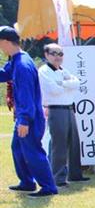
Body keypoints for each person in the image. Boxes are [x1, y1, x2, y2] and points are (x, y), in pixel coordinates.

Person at [0, 26, 58, 197]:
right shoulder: (16, 60)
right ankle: (27, 182)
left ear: (4, 41)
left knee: (32, 151)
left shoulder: (22, 65)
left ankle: (48, 187)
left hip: (30, 116)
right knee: (17, 148)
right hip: (27, 115)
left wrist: (24, 120)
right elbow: (4, 75)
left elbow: (25, 96)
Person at [38, 43, 89, 186]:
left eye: (60, 54)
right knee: (59, 144)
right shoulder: (44, 71)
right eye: (54, 53)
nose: (58, 57)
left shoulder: (62, 70)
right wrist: (66, 85)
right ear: (46, 55)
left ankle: (75, 174)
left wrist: (63, 84)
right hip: (56, 109)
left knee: (74, 142)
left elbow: (77, 83)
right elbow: (53, 89)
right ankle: (58, 177)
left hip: (69, 108)